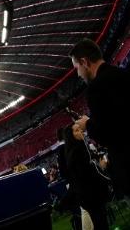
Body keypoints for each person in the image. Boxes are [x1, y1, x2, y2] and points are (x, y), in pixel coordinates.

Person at [70, 38, 130, 198]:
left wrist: (87, 124)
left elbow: (106, 133)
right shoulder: (123, 74)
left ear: (85, 62)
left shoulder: (96, 88)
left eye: (77, 68)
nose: (78, 73)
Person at [60, 124, 111, 230]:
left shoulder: (77, 148)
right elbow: (87, 173)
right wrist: (101, 168)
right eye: (77, 130)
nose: (81, 132)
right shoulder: (77, 151)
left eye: (80, 129)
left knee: (98, 222)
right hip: (90, 195)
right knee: (101, 224)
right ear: (71, 135)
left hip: (88, 195)